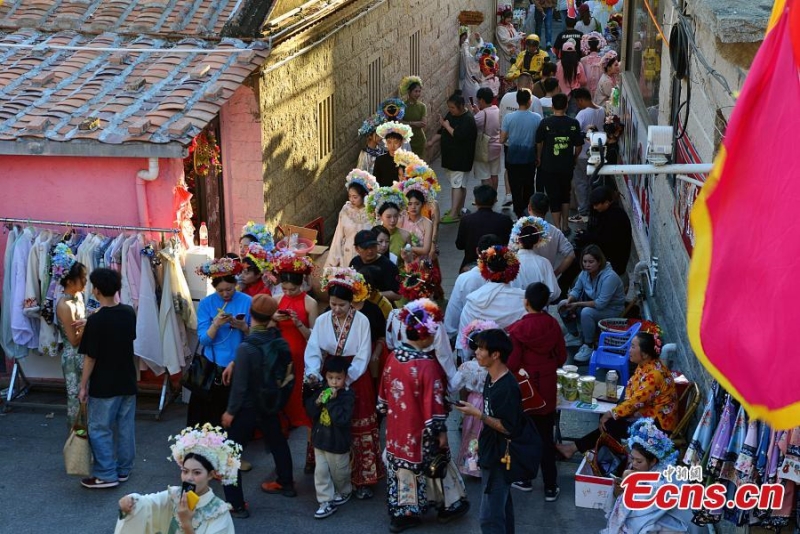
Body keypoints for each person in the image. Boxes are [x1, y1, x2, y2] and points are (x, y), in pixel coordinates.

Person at [379, 299, 470, 533]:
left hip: (397, 428)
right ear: (424, 337)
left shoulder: (393, 357)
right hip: (421, 430)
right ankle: (448, 505)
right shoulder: (427, 365)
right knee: (435, 464)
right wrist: (440, 431)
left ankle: (404, 513)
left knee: (403, 468)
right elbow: (434, 403)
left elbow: (384, 395)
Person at [305, 267, 381, 500]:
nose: (336, 309)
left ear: (351, 302)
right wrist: (314, 373)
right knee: (327, 421)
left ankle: (363, 478)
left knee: (358, 424)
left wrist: (345, 380)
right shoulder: (322, 320)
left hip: (354, 376)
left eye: (342, 305)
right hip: (330, 374)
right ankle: (326, 471)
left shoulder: (362, 321)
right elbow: (314, 349)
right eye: (333, 304)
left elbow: (363, 354)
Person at [220, 294, 295, 514]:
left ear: (251, 314)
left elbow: (240, 386)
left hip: (247, 406)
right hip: (269, 402)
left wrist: (230, 411)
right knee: (277, 442)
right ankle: (286, 483)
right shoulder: (277, 338)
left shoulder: (246, 347)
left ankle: (236, 504)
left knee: (230, 454)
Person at [556, 332, 678, 458]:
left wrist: (611, 413)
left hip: (658, 426)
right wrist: (617, 413)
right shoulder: (645, 365)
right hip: (644, 414)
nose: (629, 350)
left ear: (645, 354)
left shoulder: (654, 375)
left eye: (633, 347)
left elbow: (634, 402)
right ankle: (582, 449)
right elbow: (632, 392)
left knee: (610, 424)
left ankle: (587, 451)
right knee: (608, 420)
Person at [453, 329, 525, 534]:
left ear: (495, 354)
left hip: (500, 456)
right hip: (490, 450)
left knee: (489, 517)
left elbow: (508, 427)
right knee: (501, 508)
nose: (476, 352)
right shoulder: (490, 378)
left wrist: (478, 414)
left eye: (481, 348)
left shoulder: (507, 387)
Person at [114, 424, 238, 534]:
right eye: (185, 471)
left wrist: (186, 523)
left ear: (210, 475)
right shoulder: (174, 495)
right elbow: (147, 504)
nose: (189, 478)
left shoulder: (218, 512)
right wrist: (130, 501)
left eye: (197, 472)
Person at [77, 268, 137, 489]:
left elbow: (90, 357)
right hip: (127, 379)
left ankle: (106, 474)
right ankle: (123, 469)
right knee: (125, 427)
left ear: (97, 290)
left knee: (100, 428)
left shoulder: (96, 321)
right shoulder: (128, 312)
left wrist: (83, 385)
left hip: (104, 383)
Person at [506, 283, 567, 499]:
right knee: (545, 436)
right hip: (547, 387)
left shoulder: (518, 329)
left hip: (526, 389)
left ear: (526, 302)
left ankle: (525, 478)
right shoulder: (553, 325)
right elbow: (561, 357)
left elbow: (512, 363)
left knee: (524, 436)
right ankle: (550, 486)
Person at [601, 419, 697, 534]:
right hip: (657, 514)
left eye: (639, 461)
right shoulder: (641, 470)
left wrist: (627, 490)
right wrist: (618, 491)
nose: (634, 464)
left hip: (676, 520)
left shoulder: (665, 478)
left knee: (644, 527)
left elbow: (645, 505)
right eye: (632, 458)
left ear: (653, 461)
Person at [190, 258, 251, 427]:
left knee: (235, 419)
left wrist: (243, 327)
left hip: (238, 362)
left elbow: (255, 338)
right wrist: (215, 324)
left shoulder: (247, 301)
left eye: (229, 289)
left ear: (235, 284)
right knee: (209, 418)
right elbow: (204, 340)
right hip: (212, 365)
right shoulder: (206, 303)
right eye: (220, 291)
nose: (225, 294)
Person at [272, 252, 318, 469]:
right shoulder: (276, 300)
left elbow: (314, 337)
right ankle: (281, 455)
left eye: (293, 289)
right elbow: (268, 329)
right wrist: (273, 319)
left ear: (301, 284)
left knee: (305, 409)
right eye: (285, 289)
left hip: (302, 359)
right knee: (282, 406)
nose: (288, 293)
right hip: (282, 360)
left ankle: (310, 456)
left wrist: (299, 323)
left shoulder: (310, 303)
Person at [305, 356, 356, 519]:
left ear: (345, 377)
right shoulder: (322, 390)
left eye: (338, 378)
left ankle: (344, 490)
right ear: (325, 376)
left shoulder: (347, 395)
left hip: (338, 443)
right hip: (320, 441)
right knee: (321, 473)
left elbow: (342, 419)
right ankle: (325, 501)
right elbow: (310, 412)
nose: (334, 382)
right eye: (330, 377)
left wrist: (332, 402)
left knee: (340, 473)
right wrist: (317, 402)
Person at [557, 245, 625, 362]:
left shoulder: (610, 277)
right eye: (585, 261)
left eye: (591, 262)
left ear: (599, 262)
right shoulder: (584, 273)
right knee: (562, 304)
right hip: (594, 305)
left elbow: (600, 304)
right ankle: (574, 335)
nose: (587, 265)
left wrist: (577, 304)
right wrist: (570, 300)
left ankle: (589, 345)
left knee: (586, 312)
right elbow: (576, 290)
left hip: (612, 309)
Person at [457, 246, 526, 354]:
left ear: (485, 269)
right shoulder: (523, 300)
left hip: (483, 359)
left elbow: (466, 341)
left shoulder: (474, 301)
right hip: (516, 358)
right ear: (512, 270)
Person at [455, 319, 499, 478]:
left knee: (472, 434)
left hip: (473, 402)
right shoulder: (494, 365)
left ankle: (472, 465)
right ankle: (488, 462)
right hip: (491, 401)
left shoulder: (467, 367)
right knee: (488, 433)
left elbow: (456, 386)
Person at [535, 93, 584, 233]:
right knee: (565, 194)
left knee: (553, 196)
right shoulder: (573, 123)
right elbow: (578, 145)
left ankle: (557, 227)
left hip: (549, 165)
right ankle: (565, 225)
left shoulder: (545, 123)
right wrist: (574, 157)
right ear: (566, 106)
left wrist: (539, 157)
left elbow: (539, 142)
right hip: (566, 165)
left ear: (552, 106)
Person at [428, 92, 477, 224]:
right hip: (451, 158)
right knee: (459, 185)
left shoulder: (467, 119)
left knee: (457, 185)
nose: (450, 110)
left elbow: (459, 135)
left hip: (460, 158)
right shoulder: (451, 115)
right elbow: (442, 130)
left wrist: (446, 126)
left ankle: (454, 213)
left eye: (453, 107)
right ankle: (458, 209)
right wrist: (432, 142)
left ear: (460, 106)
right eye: (449, 107)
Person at [53, 245, 88, 429]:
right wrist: (89, 324)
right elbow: (73, 340)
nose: (85, 281)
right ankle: (77, 437)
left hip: (83, 354)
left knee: (86, 396)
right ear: (70, 281)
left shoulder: (78, 297)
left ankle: (86, 434)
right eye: (82, 278)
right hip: (73, 357)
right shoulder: (65, 305)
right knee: (76, 399)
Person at [444, 233, 498, 342]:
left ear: (477, 251)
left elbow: (453, 312)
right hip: (496, 338)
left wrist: (451, 335)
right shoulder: (509, 278)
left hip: (469, 337)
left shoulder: (465, 279)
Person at [501, 88, 542, 218]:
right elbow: (539, 141)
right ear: (530, 101)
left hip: (512, 157)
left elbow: (502, 139)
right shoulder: (537, 118)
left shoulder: (508, 117)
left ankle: (519, 214)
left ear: (517, 101)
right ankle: (529, 211)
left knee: (515, 187)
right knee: (529, 185)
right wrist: (538, 156)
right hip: (529, 157)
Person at [324, 169, 378, 269]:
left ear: (364, 195)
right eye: (349, 196)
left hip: (366, 255)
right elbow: (338, 236)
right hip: (347, 254)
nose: (351, 200)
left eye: (355, 197)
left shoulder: (372, 212)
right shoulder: (346, 210)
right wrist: (332, 263)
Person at [574, 186, 632, 276]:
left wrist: (586, 237)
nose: (594, 208)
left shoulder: (615, 217)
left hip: (613, 261)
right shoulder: (603, 212)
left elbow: (605, 240)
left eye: (597, 205)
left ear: (606, 203)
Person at [456, 185, 513, 271]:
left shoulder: (466, 220)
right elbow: (509, 244)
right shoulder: (505, 220)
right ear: (495, 200)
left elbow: (460, 245)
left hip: (471, 264)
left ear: (476, 201)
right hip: (497, 264)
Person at [571, 87, 606, 222]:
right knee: (593, 183)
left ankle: (584, 212)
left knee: (581, 183)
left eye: (577, 102)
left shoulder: (582, 114)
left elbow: (575, 132)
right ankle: (594, 209)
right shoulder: (601, 110)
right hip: (597, 154)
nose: (577, 105)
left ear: (581, 100)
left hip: (582, 154)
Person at [508, 217, 560, 298]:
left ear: (517, 239)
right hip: (539, 304)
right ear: (537, 241)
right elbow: (554, 292)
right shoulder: (544, 263)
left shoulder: (509, 262)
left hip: (515, 304)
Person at [527, 193, 575, 277]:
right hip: (546, 279)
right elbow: (571, 254)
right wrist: (555, 273)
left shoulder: (519, 229)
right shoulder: (555, 232)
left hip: (525, 279)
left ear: (529, 208)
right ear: (548, 209)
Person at [349, 229, 401, 302]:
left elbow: (397, 295)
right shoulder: (355, 261)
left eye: (373, 246)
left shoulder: (388, 266)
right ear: (357, 249)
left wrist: (370, 295)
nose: (370, 251)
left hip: (381, 307)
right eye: (365, 248)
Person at [366, 186, 411, 268]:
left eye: (396, 216)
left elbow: (410, 264)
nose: (393, 220)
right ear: (380, 216)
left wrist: (406, 259)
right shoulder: (373, 234)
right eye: (388, 217)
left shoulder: (405, 235)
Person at [472, 87, 502, 191]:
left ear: (482, 100)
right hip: (497, 146)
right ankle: (494, 196)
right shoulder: (497, 110)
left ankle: (487, 197)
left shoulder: (482, 114)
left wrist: (473, 112)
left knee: (485, 175)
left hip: (484, 148)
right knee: (494, 174)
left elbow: (473, 124)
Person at [374, 121, 413, 187]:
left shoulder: (407, 160)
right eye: (389, 142)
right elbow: (376, 182)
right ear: (386, 143)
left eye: (396, 142)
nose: (392, 146)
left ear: (401, 143)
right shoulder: (380, 160)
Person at [555, 39, 587, 114]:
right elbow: (583, 81)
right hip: (574, 95)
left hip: (560, 95)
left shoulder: (558, 65)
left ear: (562, 53)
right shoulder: (578, 65)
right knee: (573, 116)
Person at [399, 76, 427, 159]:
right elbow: (399, 122)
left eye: (419, 91)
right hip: (406, 140)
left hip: (419, 140)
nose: (418, 94)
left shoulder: (422, 106)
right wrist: (414, 123)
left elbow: (423, 123)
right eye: (415, 91)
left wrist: (407, 123)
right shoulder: (402, 106)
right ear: (409, 92)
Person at [495, 8, 521, 75]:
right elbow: (504, 41)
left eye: (511, 18)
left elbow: (514, 35)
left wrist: (519, 34)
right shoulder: (500, 28)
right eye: (508, 18)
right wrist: (517, 38)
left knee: (511, 71)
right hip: (503, 52)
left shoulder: (510, 25)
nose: (510, 19)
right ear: (503, 17)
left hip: (512, 52)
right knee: (504, 71)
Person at [580, 32, 607, 97]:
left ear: (588, 46)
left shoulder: (583, 60)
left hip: (586, 91)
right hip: (600, 89)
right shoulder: (603, 60)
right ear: (599, 46)